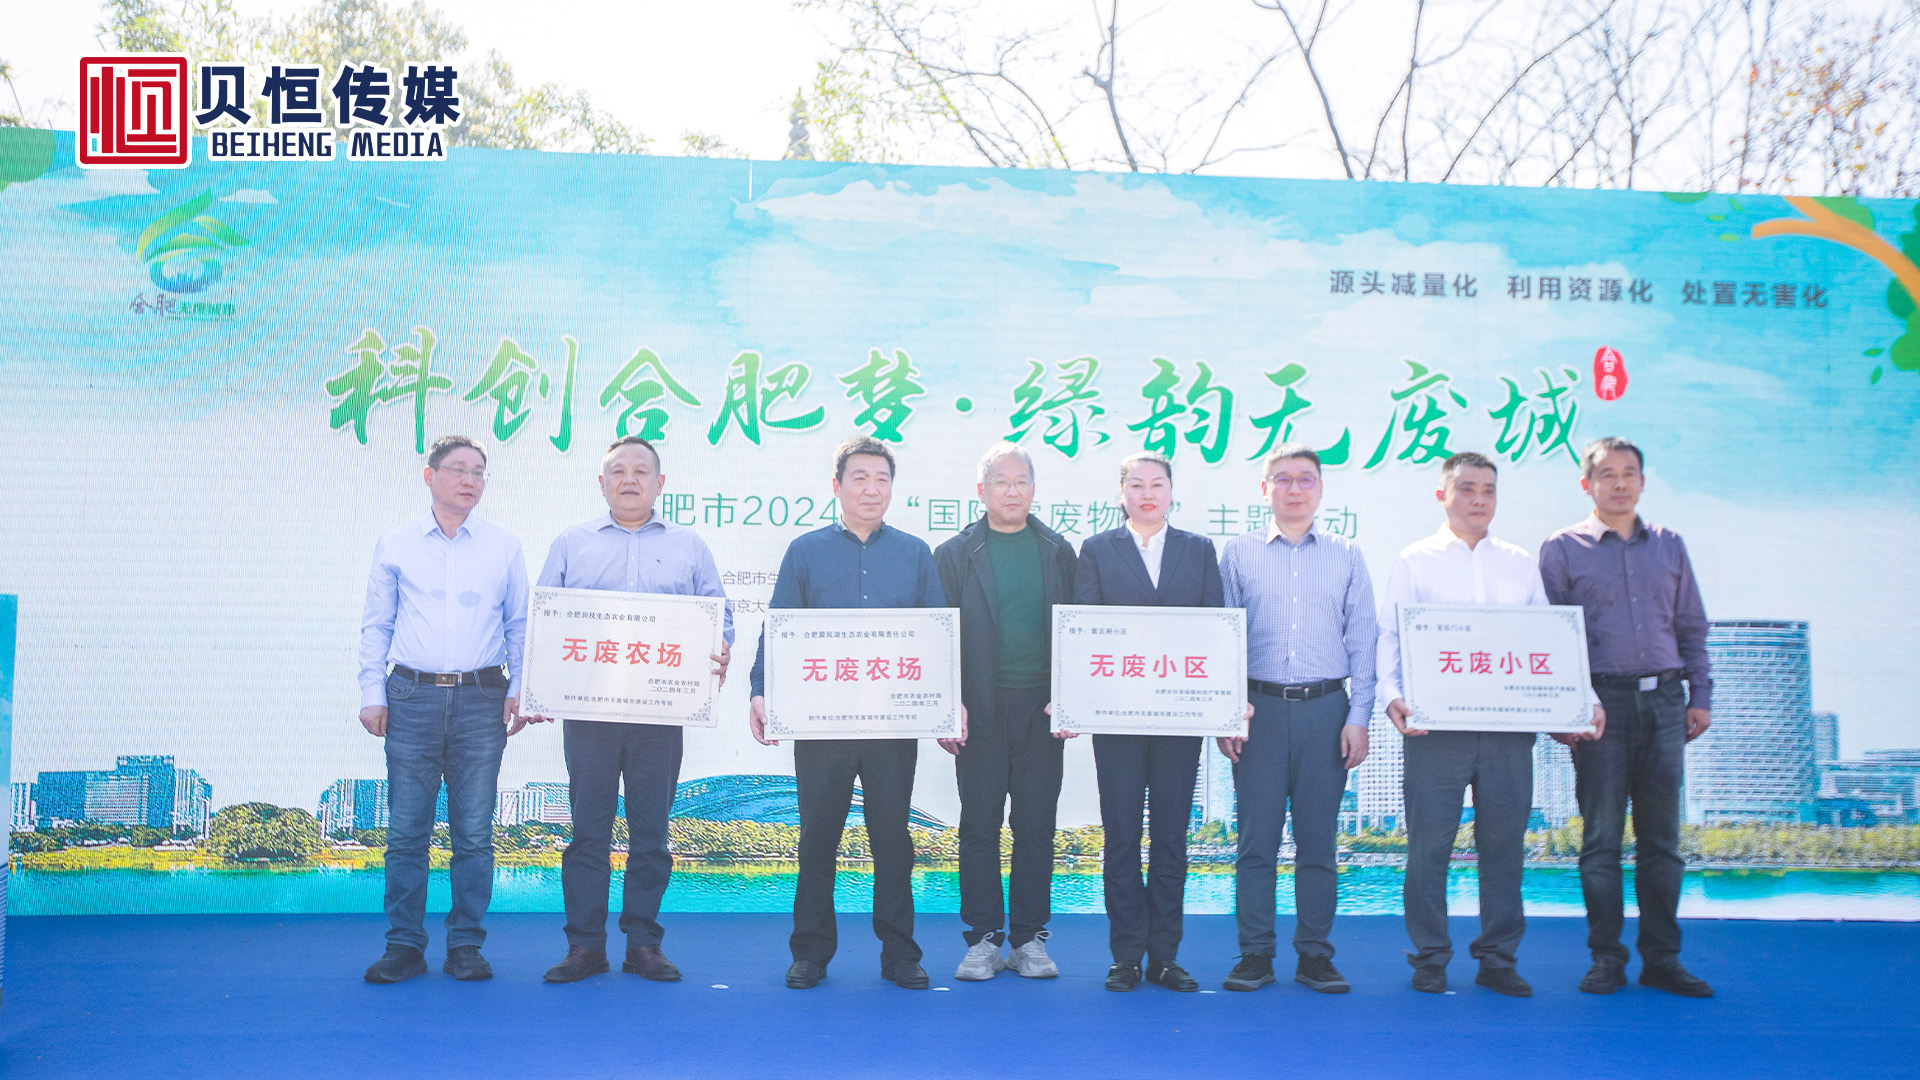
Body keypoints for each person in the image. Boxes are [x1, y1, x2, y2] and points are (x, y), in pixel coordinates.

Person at [1377, 451, 1604, 998]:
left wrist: (1583, 702)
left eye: (1488, 490)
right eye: (1467, 489)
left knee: (1503, 847)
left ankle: (1498, 959)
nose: (1479, 499)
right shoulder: (1415, 560)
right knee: (1429, 849)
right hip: (1435, 732)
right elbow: (1390, 635)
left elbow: (1550, 639)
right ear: (1442, 495)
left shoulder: (1519, 562)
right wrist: (1391, 695)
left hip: (1507, 732)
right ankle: (1430, 957)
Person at [749, 436, 951, 991]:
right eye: (859, 478)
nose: (871, 489)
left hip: (892, 725)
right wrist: (761, 690)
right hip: (822, 724)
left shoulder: (915, 554)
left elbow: (936, 635)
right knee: (818, 839)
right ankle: (811, 953)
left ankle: (900, 954)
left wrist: (946, 700)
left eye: (882, 479)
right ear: (836, 486)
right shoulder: (805, 551)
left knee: (893, 841)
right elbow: (779, 628)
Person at [533, 436, 735, 984]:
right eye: (617, 470)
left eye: (640, 471)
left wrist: (719, 649)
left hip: (659, 715)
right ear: (601, 483)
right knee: (587, 833)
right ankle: (585, 946)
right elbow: (544, 622)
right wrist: (541, 685)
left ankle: (644, 944)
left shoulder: (690, 547)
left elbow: (720, 617)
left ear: (659, 483)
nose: (629, 479)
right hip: (590, 715)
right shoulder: (572, 544)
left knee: (651, 834)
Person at [1539, 436, 1715, 998]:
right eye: (1607, 474)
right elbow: (1550, 638)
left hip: (1665, 702)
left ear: (1642, 480)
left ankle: (1663, 958)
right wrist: (1563, 708)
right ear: (1586, 484)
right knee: (1601, 841)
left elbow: (1691, 625)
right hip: (1600, 708)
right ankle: (1606, 959)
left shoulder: (1669, 545)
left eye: (1629, 473)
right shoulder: (1562, 549)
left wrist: (1700, 694)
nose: (1619, 483)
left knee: (1662, 842)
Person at [357, 435, 528, 984]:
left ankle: (466, 945)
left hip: (483, 697)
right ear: (429, 476)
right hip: (411, 696)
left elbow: (519, 625)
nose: (470, 480)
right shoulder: (396, 544)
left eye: (479, 472)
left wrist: (523, 687)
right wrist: (371, 691)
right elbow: (377, 625)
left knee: (474, 834)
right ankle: (404, 944)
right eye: (458, 469)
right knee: (407, 832)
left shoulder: (503, 546)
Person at [1216, 444, 1377, 994]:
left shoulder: (1346, 554)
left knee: (1318, 844)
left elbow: (1363, 643)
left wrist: (1359, 716)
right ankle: (1255, 955)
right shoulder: (1238, 553)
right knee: (1255, 844)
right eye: (1282, 479)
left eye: (1305, 479)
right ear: (1265, 489)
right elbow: (1224, 639)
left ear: (1321, 489)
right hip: (1257, 712)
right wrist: (1227, 713)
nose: (1294, 488)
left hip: (1327, 711)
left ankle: (1315, 955)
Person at [1073, 450, 1224, 993]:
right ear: (1122, 494)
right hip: (1117, 720)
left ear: (1171, 492)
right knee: (1120, 839)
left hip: (1179, 720)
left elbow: (1216, 631)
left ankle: (1165, 957)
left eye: (1157, 484)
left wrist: (1224, 702)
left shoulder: (1198, 550)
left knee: (1170, 840)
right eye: (1136, 485)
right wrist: (1073, 700)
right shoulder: (1097, 550)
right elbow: (1083, 630)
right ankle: (1126, 957)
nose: (1147, 494)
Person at [933, 442, 1077, 982]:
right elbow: (938, 635)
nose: (1011, 491)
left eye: (1020, 482)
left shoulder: (1058, 551)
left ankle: (1029, 939)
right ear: (981, 490)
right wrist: (948, 706)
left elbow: (1080, 629)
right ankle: (983, 939)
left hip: (1042, 709)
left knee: (1036, 825)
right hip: (980, 709)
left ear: (1034, 490)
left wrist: (1073, 697)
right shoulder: (955, 553)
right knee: (979, 824)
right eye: (1000, 481)